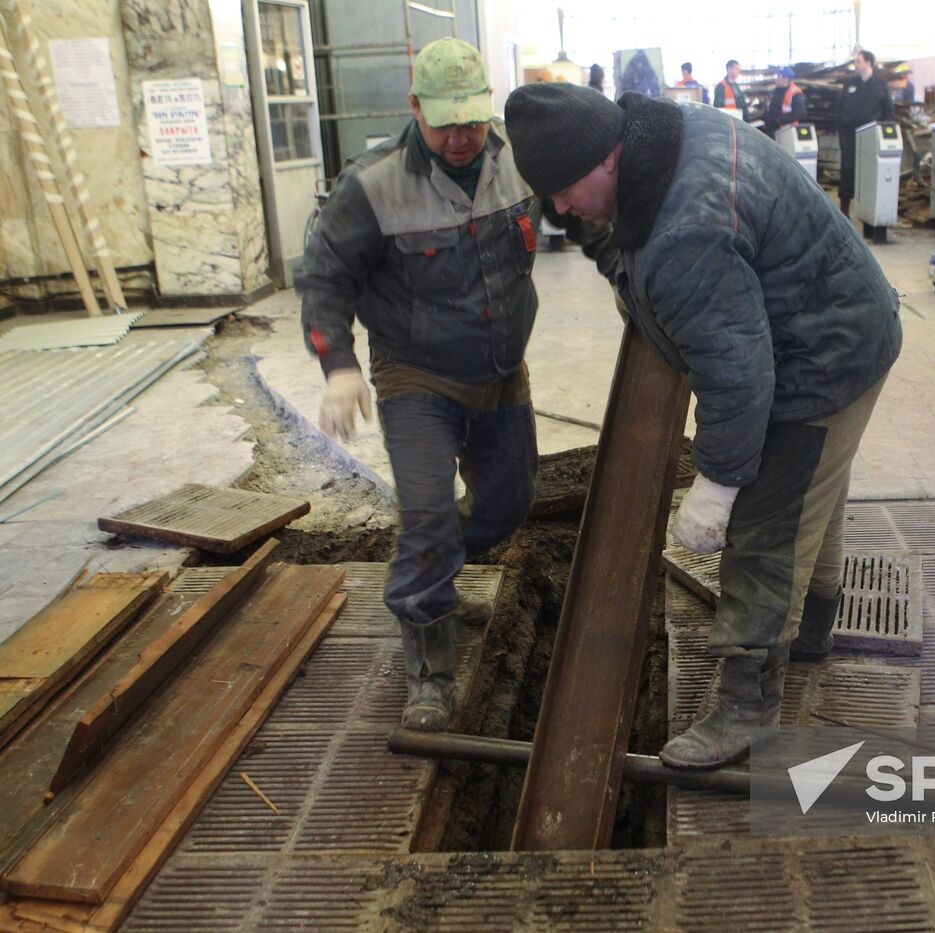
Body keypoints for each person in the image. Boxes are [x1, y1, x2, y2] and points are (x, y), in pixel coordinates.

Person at [503, 83, 902, 770]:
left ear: (606, 158)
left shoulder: (685, 234)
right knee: (815, 489)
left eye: (565, 191)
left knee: (766, 526)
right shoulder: (662, 139)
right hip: (845, 314)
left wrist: (716, 488)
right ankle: (811, 629)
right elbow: (616, 232)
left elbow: (739, 380)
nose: (561, 211)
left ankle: (746, 705)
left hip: (823, 355)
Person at [299, 38, 543, 733]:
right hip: (416, 374)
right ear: (415, 109)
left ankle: (433, 572)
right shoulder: (371, 185)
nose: (462, 139)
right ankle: (430, 668)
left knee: (508, 503)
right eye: (446, 125)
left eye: (472, 122)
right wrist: (338, 364)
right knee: (429, 512)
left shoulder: (518, 160)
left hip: (501, 368)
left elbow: (588, 210)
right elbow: (323, 278)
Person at [835, 50, 893, 216]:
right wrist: (840, 126)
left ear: (868, 62)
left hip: (870, 137)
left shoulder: (880, 84)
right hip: (849, 135)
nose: (856, 64)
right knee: (847, 169)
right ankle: (844, 211)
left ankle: (869, 211)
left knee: (870, 171)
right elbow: (840, 106)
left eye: (859, 61)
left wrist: (882, 131)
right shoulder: (850, 82)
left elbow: (888, 110)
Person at [762, 66, 806, 136]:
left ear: (786, 79)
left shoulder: (796, 93)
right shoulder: (776, 91)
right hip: (773, 129)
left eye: (778, 77)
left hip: (787, 130)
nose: (775, 79)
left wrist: (779, 120)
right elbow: (771, 108)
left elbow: (799, 113)